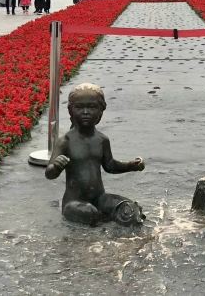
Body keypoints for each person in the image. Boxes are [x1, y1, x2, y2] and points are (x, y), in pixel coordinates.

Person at [45, 83, 145, 226]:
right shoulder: (65, 141)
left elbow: (110, 166)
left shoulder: (102, 140)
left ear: (101, 110)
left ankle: (109, 222)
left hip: (99, 198)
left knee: (130, 210)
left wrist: (131, 166)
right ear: (71, 110)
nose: (85, 112)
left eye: (92, 107)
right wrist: (56, 166)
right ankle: (103, 223)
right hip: (74, 203)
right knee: (90, 213)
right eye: (79, 107)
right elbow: (49, 174)